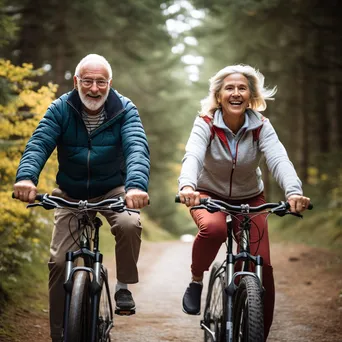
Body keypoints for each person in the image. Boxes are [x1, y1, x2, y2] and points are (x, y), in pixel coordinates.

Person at [13, 54, 150, 342]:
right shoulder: (61, 108)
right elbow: (39, 143)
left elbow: (137, 147)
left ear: (110, 84)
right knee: (60, 262)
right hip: (70, 192)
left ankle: (123, 286)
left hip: (114, 188)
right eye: (87, 81)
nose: (94, 88)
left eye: (101, 82)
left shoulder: (124, 109)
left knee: (129, 224)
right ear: (76, 82)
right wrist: (26, 178)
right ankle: (59, 333)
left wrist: (135, 186)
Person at [177, 64, 310, 340]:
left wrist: (293, 192)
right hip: (207, 194)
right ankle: (197, 279)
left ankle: (256, 332)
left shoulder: (261, 126)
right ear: (218, 95)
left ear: (251, 96)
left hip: (250, 197)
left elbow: (278, 159)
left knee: (262, 264)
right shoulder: (206, 122)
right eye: (229, 88)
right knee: (214, 229)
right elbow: (193, 154)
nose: (236, 93)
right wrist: (187, 185)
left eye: (242, 88)